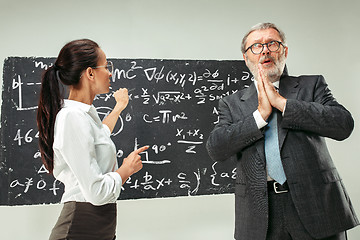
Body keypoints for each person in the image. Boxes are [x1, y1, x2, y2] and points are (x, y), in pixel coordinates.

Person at [206, 23, 359, 240]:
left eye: (272, 44)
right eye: (256, 46)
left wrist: (282, 103)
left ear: (284, 51)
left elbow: (343, 125)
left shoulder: (311, 85)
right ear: (246, 57)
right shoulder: (231, 104)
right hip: (260, 214)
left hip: (317, 206)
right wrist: (259, 116)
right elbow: (216, 148)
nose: (265, 50)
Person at [37, 39, 149, 240]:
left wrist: (119, 107)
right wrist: (126, 169)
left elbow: (101, 134)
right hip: (80, 229)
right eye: (106, 67)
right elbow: (96, 192)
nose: (110, 73)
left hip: (99, 228)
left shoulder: (85, 115)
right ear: (90, 73)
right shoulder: (72, 117)